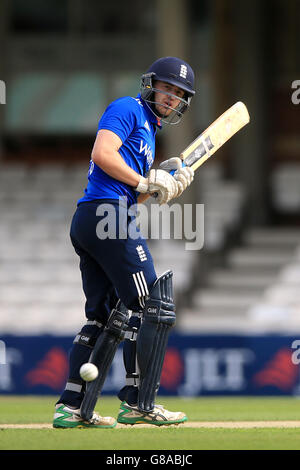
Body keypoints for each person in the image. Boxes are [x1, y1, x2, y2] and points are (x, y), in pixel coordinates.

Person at [53, 56, 195, 429]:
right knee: (153, 305)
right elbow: (102, 154)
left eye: (180, 94)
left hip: (96, 217)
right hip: (106, 214)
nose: (172, 98)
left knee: (104, 316)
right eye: (168, 88)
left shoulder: (149, 130)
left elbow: (134, 191)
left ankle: (72, 406)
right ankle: (138, 403)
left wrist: (161, 184)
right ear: (151, 84)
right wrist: (146, 181)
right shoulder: (128, 108)